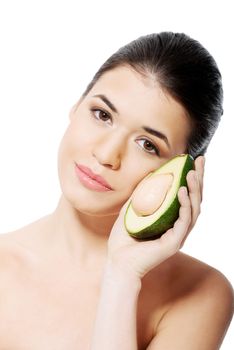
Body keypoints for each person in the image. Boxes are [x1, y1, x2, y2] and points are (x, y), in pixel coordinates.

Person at [0, 31, 233, 349]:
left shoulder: (201, 292)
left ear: (181, 173)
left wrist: (122, 277)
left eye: (147, 145)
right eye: (102, 114)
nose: (107, 155)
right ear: (76, 105)